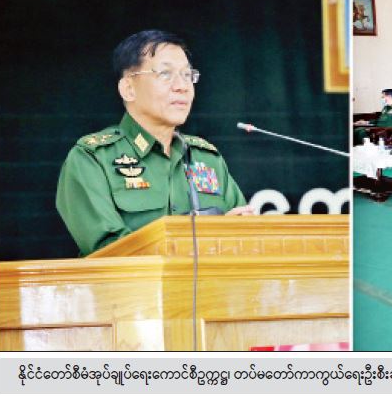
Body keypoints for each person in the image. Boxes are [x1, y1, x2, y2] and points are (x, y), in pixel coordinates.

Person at [55, 30, 251, 255]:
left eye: (187, 75)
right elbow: (111, 251)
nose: (182, 86)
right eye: (165, 74)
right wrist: (205, 245)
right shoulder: (93, 158)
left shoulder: (207, 158)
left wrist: (235, 233)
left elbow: (244, 236)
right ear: (128, 89)